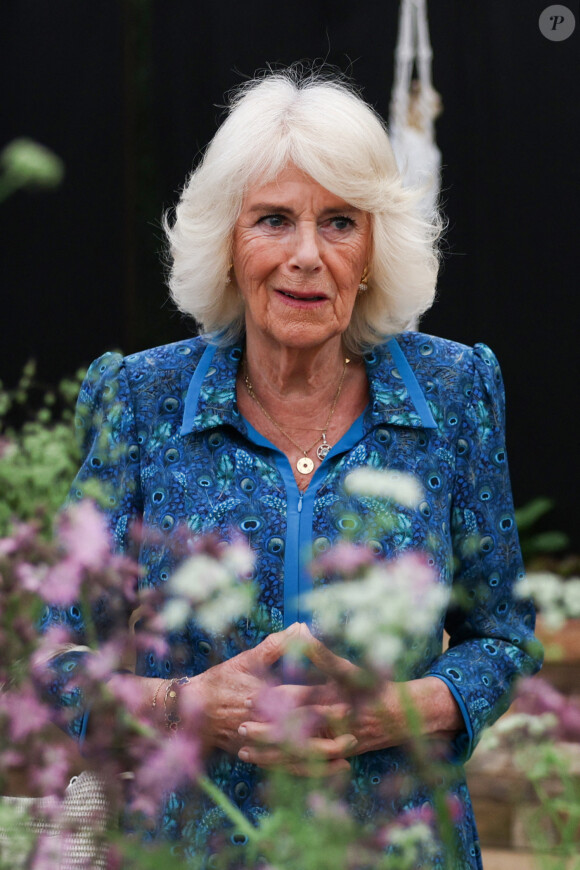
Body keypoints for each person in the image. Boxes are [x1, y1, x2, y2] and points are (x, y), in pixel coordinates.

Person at [47, 67, 542, 867]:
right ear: (228, 245)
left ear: (375, 248)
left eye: (340, 223)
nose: (307, 256)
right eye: (273, 220)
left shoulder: (454, 392)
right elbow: (48, 659)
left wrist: (397, 711)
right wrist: (186, 705)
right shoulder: (142, 399)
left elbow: (505, 638)